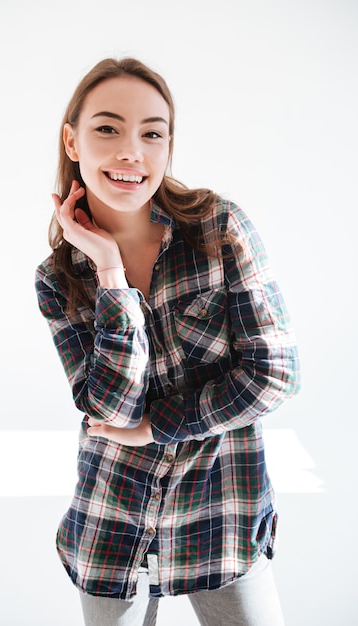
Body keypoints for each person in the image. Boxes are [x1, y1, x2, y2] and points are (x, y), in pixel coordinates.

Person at [35, 57, 300, 626]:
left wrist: (159, 426)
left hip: (222, 513)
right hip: (113, 523)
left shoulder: (218, 229)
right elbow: (108, 409)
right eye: (108, 128)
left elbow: (274, 375)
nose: (132, 150)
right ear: (72, 141)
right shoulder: (58, 277)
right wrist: (109, 273)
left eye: (152, 133)